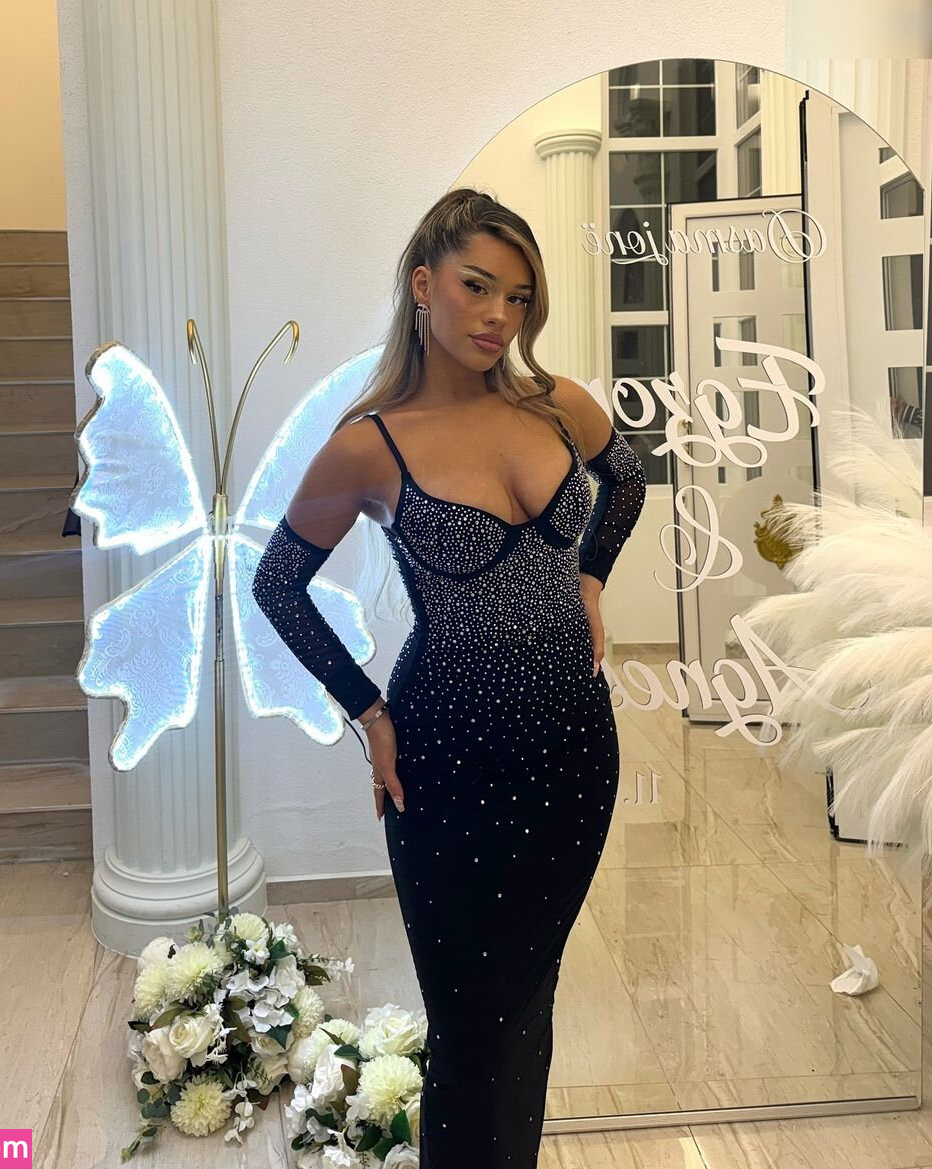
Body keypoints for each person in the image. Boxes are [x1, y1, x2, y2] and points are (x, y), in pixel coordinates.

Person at [251, 188, 646, 1167]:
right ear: (424, 284)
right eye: (478, 286)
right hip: (448, 757)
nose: (498, 315)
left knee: (529, 995)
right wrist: (370, 712)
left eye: (519, 297)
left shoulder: (556, 405)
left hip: (574, 748)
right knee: (472, 1020)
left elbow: (631, 479)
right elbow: (278, 584)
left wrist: (590, 578)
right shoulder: (370, 442)